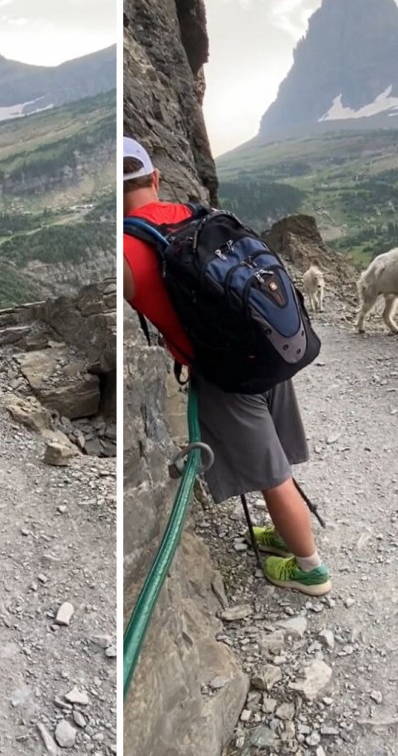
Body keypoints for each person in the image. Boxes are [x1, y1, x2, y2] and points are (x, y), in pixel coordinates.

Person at [121, 136, 331, 596]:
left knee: (272, 475)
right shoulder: (196, 216)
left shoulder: (125, 252)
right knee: (273, 454)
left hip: (225, 373)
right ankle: (284, 532)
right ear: (154, 179)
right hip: (270, 344)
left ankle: (309, 569)